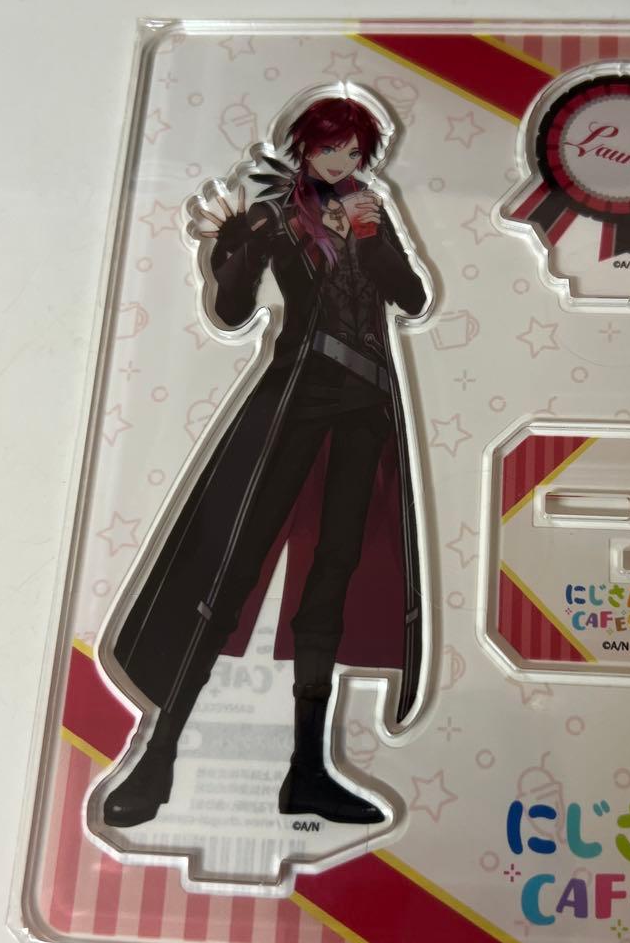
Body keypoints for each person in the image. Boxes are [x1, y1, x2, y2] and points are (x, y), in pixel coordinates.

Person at [99, 94, 429, 828]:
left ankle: (308, 771)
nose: (342, 163)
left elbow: (411, 297)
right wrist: (232, 245)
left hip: (366, 409)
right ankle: (156, 757)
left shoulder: (370, 212)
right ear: (304, 147)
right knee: (229, 569)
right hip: (295, 403)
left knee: (333, 576)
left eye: (354, 152)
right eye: (331, 148)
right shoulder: (277, 217)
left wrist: (373, 238)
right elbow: (232, 310)